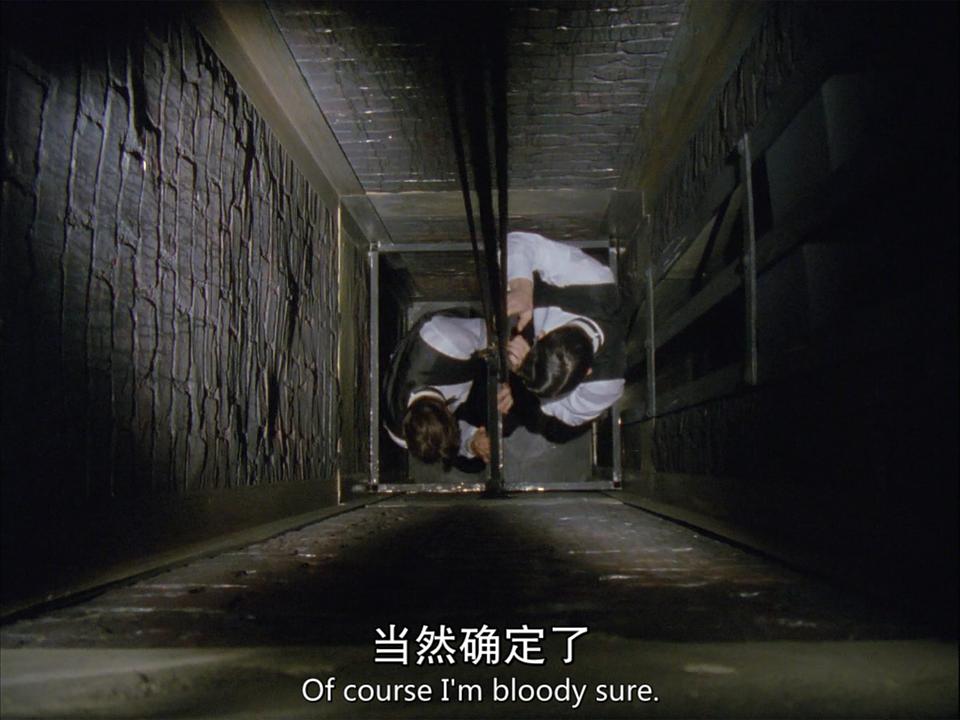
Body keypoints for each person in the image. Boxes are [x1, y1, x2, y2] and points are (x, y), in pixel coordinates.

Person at [504, 231, 626, 437]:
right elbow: (518, 240)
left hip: (553, 415)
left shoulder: (604, 387)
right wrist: (521, 288)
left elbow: (569, 417)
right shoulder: (592, 281)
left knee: (548, 430)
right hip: (567, 291)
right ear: (540, 336)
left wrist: (523, 375)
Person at [383, 309, 512, 468]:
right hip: (458, 377)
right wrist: (471, 443)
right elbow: (447, 438)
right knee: (472, 464)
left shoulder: (446, 341)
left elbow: (497, 335)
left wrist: (507, 376)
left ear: (448, 411)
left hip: (460, 339)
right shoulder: (402, 436)